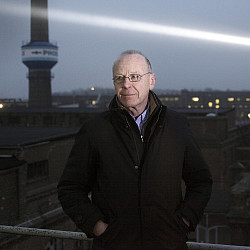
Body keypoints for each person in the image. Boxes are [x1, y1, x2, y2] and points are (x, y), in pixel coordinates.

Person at [57, 50, 212, 250]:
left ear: (152, 81)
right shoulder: (94, 130)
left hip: (167, 243)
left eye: (134, 77)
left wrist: (184, 222)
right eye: (119, 78)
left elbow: (201, 181)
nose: (126, 84)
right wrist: (97, 227)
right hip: (114, 244)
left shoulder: (176, 125)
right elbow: (70, 189)